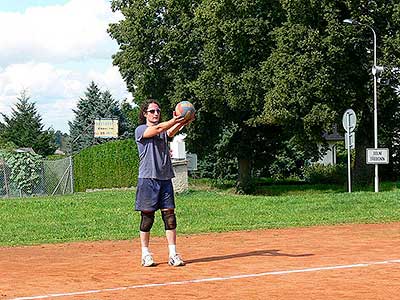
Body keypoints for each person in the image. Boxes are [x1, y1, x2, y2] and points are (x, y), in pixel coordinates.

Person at [134, 99, 192, 267]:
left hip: (165, 178)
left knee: (170, 217)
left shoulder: (162, 131)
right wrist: (175, 119)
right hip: (148, 179)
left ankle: (173, 254)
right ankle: (145, 254)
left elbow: (169, 131)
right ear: (145, 114)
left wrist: (184, 120)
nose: (156, 114)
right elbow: (159, 128)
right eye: (152, 111)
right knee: (147, 218)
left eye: (158, 111)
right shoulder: (141, 130)